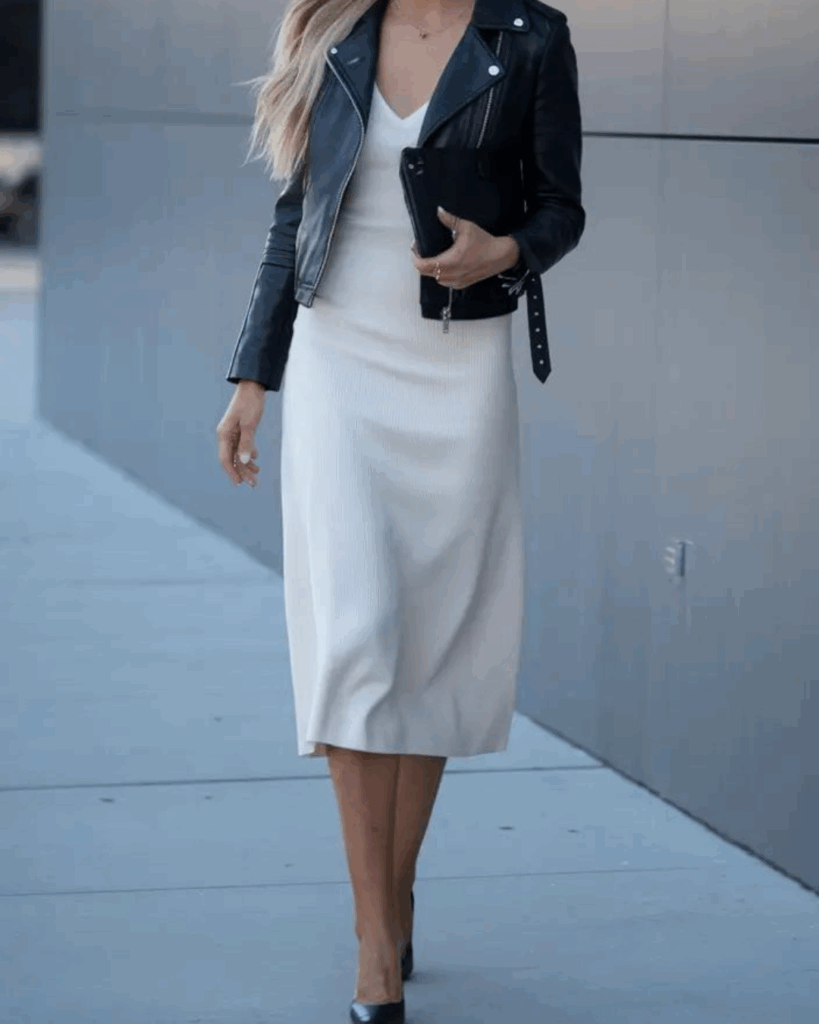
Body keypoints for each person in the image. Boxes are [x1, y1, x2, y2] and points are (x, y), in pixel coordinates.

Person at [216, 1, 584, 1021]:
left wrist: (504, 252)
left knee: (428, 646)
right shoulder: (333, 34)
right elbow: (296, 215)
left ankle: (395, 886)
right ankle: (375, 942)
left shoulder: (532, 36)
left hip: (459, 369)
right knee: (361, 634)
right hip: (343, 363)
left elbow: (563, 206)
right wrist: (254, 375)